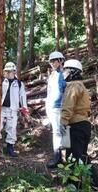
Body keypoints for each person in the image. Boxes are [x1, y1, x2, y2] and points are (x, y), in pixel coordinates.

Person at [60, 59, 98, 188]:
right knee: (82, 156)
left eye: (65, 69)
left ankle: (74, 186)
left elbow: (68, 105)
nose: (63, 72)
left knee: (74, 158)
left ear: (72, 71)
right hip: (83, 125)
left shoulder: (73, 86)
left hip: (76, 126)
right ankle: (93, 183)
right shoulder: (81, 86)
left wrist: (63, 122)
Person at [0, 62, 28, 157]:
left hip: (13, 109)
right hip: (1, 108)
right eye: (7, 71)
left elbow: (22, 96)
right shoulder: (2, 82)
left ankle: (10, 148)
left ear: (14, 71)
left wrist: (24, 106)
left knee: (11, 128)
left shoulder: (19, 84)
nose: (9, 73)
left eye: (11, 71)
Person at [46, 51, 66, 168]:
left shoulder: (64, 74)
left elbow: (64, 91)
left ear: (60, 61)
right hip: (52, 107)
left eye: (55, 60)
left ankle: (58, 158)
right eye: (51, 61)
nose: (53, 63)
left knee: (60, 132)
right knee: (57, 132)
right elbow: (50, 92)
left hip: (60, 107)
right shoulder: (52, 75)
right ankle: (59, 157)